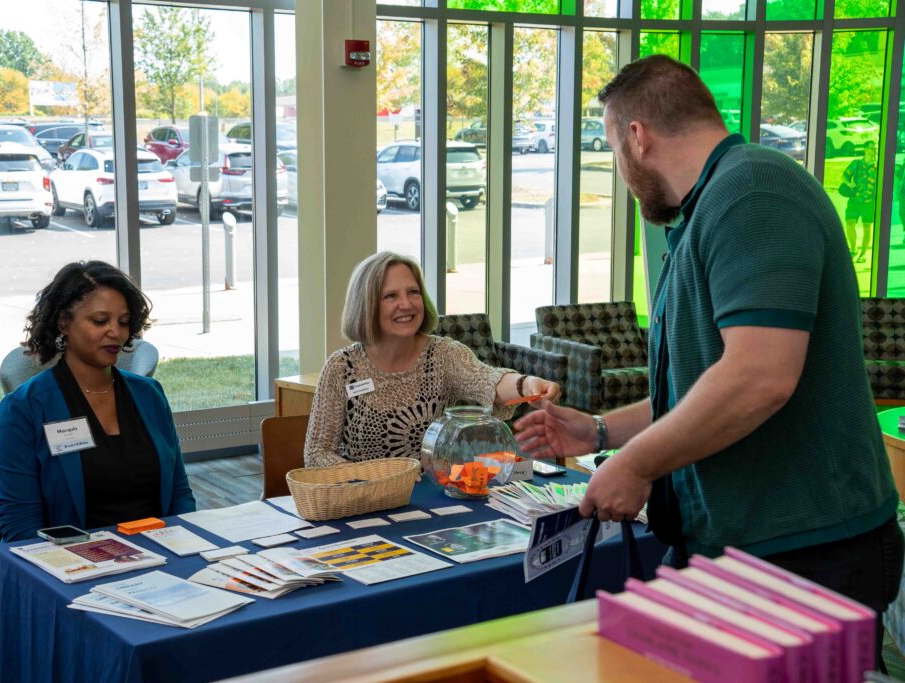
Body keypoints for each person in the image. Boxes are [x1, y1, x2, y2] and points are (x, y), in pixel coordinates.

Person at [514, 56, 902, 662]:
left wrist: (637, 463)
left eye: (615, 150)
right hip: (738, 545)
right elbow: (704, 383)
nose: (621, 170)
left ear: (637, 137)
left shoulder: (753, 193)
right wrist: (599, 430)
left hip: (806, 552)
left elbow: (758, 377)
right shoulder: (716, 204)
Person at [0, 261, 196, 542]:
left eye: (123, 322)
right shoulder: (23, 409)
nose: (116, 332)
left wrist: (182, 546)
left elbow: (179, 493)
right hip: (69, 566)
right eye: (100, 321)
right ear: (64, 322)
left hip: (159, 556)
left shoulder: (149, 394)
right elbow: (21, 527)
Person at [304, 251, 561, 467]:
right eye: (390, 296)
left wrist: (527, 385)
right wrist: (373, 481)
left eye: (413, 292)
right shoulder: (341, 368)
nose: (406, 304)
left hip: (434, 498)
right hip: (362, 503)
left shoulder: (443, 354)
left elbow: (487, 380)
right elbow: (316, 453)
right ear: (367, 304)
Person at [841, 140, 878, 263]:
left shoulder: (878, 166)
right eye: (872, 148)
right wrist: (849, 183)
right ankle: (853, 249)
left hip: (869, 202)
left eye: (875, 148)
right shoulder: (856, 164)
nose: (874, 150)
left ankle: (863, 254)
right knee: (850, 224)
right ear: (866, 149)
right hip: (854, 201)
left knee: (867, 228)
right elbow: (844, 175)